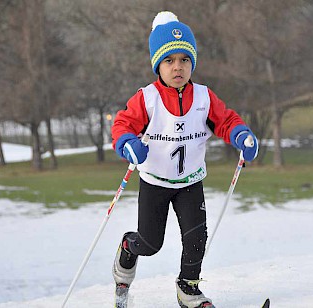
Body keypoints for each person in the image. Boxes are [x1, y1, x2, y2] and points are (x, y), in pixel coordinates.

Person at [111, 11, 259, 308]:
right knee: (151, 244)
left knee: (196, 239)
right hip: (155, 182)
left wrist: (241, 135)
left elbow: (226, 120)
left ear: (192, 63)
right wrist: (127, 144)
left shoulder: (204, 97)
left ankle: (188, 290)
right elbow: (122, 125)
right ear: (157, 64)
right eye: (169, 61)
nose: (177, 67)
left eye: (184, 60)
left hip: (191, 182)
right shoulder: (148, 98)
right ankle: (128, 247)